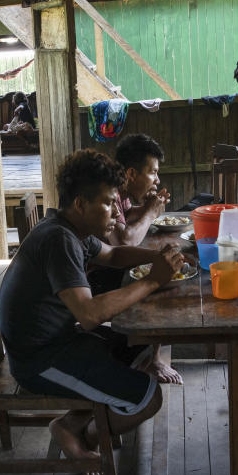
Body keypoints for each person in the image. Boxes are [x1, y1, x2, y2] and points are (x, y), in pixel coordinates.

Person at [0, 149, 186, 475]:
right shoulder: (60, 241)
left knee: (139, 341)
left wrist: (161, 257)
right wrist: (155, 280)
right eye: (109, 203)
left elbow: (113, 256)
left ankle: (72, 422)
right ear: (81, 204)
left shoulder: (71, 228)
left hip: (60, 340)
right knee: (148, 398)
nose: (117, 211)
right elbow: (88, 314)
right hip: (38, 361)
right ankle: (84, 433)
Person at [91, 133, 180, 384]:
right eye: (152, 172)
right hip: (95, 278)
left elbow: (127, 216)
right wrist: (150, 214)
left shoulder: (120, 191)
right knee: (153, 280)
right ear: (131, 174)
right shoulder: (109, 191)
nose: (157, 179)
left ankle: (148, 353)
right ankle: (151, 359)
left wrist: (149, 207)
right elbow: (125, 240)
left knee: (157, 267)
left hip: (106, 264)